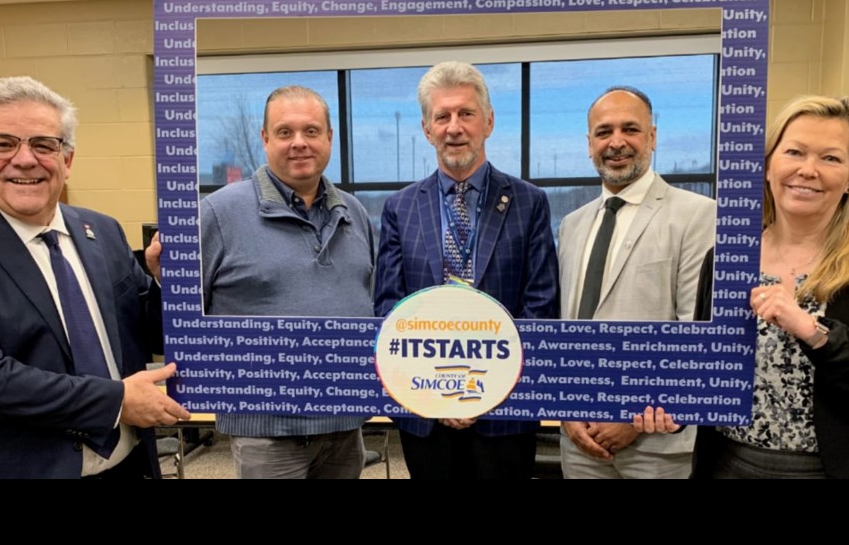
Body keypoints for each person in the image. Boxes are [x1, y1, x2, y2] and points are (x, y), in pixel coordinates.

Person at [0, 76, 189, 479]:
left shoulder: (103, 231)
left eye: (43, 144)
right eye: (3, 143)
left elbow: (151, 334)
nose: (25, 159)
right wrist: (116, 401)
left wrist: (166, 285)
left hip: (127, 466)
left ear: (67, 159)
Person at [650, 95, 849, 478]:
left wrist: (813, 331)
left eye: (830, 158)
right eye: (794, 152)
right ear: (768, 165)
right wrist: (675, 409)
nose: (808, 169)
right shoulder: (726, 260)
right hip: (728, 465)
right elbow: (706, 371)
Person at [374, 61, 559, 479]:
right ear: (427, 129)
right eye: (442, 116)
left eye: (466, 113)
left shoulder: (530, 203)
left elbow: (540, 308)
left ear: (488, 122)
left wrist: (481, 395)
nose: (454, 127)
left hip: (504, 415)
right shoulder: (399, 209)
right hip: (424, 415)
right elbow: (389, 310)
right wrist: (440, 398)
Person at [177, 85, 374, 478]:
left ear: (329, 138)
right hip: (266, 435)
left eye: (311, 131)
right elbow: (184, 316)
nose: (299, 143)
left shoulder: (354, 212)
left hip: (345, 426)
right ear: (265, 139)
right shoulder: (217, 213)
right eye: (285, 132)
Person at [558, 86, 715, 478]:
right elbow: (566, 331)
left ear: (653, 137)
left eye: (630, 129)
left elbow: (698, 339)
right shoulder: (572, 225)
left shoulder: (698, 216)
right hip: (579, 437)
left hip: (656, 442)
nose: (616, 142)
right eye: (603, 131)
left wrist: (631, 417)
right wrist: (568, 411)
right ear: (589, 143)